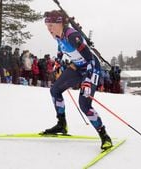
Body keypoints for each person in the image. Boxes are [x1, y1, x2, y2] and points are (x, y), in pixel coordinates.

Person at [42, 10, 112, 150]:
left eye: (51, 25)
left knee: (84, 104)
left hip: (92, 68)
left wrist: (87, 80)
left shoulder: (73, 36)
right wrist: (57, 62)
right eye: (47, 25)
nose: (48, 29)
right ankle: (61, 124)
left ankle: (105, 136)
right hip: (77, 67)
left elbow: (91, 59)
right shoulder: (57, 35)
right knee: (55, 90)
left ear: (60, 23)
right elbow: (61, 47)